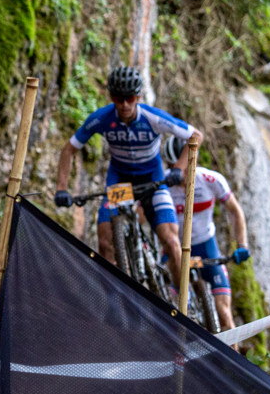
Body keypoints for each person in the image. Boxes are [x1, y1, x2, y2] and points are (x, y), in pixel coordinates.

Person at [53, 65, 202, 286]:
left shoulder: (153, 117)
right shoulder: (102, 118)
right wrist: (61, 188)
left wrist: (179, 170)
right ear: (111, 97)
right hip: (121, 182)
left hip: (153, 181)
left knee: (171, 242)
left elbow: (195, 136)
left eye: (130, 98)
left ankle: (184, 305)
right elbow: (69, 149)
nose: (124, 104)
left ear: (138, 96)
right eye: (118, 98)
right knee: (105, 245)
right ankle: (113, 301)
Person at [160, 135, 250, 333]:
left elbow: (235, 211)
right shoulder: (162, 183)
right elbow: (142, 216)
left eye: (185, 166)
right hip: (175, 249)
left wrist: (242, 245)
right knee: (171, 311)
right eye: (175, 166)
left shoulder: (211, 180)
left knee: (224, 314)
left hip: (206, 245)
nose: (180, 174)